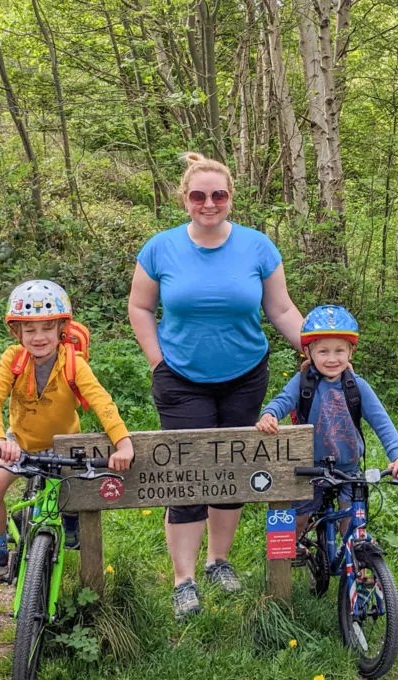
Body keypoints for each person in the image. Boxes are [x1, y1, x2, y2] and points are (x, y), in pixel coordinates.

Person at [127, 151, 304, 620]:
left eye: (219, 195)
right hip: (181, 378)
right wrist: (156, 361)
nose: (209, 203)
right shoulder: (160, 248)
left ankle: (218, 561)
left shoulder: (258, 247)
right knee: (187, 478)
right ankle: (183, 580)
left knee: (230, 471)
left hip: (246, 375)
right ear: (184, 199)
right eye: (199, 195)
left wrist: (316, 347)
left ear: (230, 198)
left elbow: (281, 309)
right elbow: (140, 307)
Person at [0, 279, 135, 576]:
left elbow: (101, 401)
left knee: (71, 492)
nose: (38, 337)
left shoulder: (73, 363)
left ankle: (69, 523)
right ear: (16, 332)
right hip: (21, 443)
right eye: (29, 330)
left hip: (64, 444)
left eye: (46, 329)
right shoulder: (12, 360)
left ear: (61, 329)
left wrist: (123, 442)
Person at [255, 305, 398, 544]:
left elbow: (383, 422)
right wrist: (270, 415)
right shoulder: (303, 383)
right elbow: (283, 401)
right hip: (310, 468)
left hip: (348, 469)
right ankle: (291, 553)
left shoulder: (357, 386)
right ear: (309, 352)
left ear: (351, 352)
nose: (331, 358)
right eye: (323, 351)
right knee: (298, 519)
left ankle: (358, 566)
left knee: (353, 524)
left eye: (339, 350)